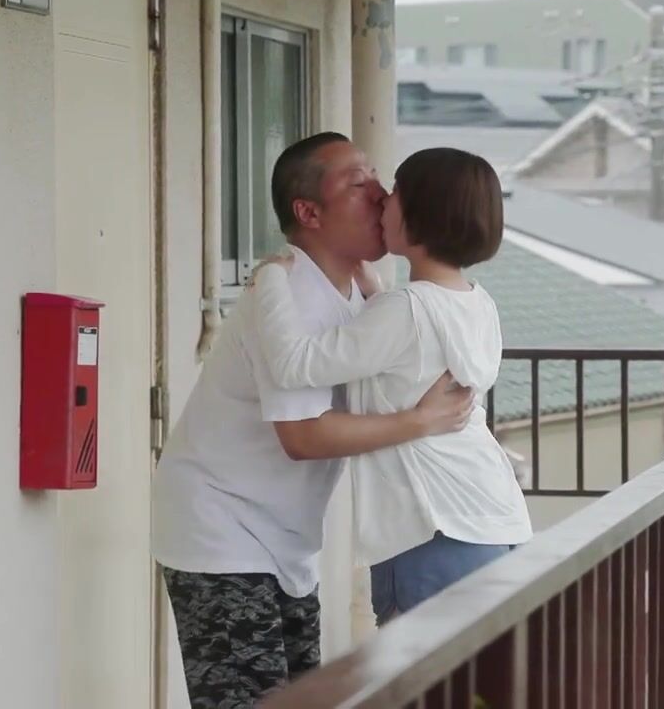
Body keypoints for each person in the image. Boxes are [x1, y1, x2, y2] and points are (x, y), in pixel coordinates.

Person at [151, 133, 475, 708]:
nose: (379, 193)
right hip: (221, 527)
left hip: (285, 538)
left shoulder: (357, 291)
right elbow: (302, 436)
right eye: (357, 182)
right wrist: (420, 421)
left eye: (375, 177)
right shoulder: (292, 292)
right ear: (309, 213)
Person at [248, 147, 533, 625]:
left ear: (422, 214)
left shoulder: (404, 310)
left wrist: (271, 278)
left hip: (433, 527)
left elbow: (295, 364)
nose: (382, 199)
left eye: (396, 191)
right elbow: (410, 351)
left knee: (419, 668)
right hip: (490, 516)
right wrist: (374, 288)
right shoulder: (476, 303)